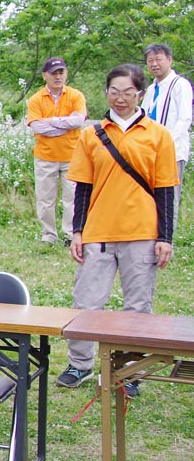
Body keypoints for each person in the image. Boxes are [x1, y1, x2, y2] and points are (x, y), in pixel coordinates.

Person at [57, 63, 178, 393]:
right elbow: (82, 185)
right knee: (86, 301)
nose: (120, 98)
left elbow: (166, 189)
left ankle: (129, 371)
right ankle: (79, 363)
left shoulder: (158, 135)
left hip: (142, 231)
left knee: (137, 308)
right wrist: (77, 231)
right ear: (106, 93)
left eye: (128, 92)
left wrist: (165, 237)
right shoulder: (91, 134)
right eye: (114, 91)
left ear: (140, 94)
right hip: (98, 231)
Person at [26, 58, 87, 245]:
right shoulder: (36, 99)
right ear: (45, 76)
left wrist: (51, 121)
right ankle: (49, 235)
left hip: (72, 156)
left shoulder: (76, 96)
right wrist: (64, 124)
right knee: (45, 199)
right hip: (45, 157)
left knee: (72, 198)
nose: (58, 77)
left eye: (61, 72)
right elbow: (37, 127)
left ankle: (70, 235)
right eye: (54, 73)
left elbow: (78, 120)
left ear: (66, 74)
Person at [141, 43, 191, 216]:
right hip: (149, 151)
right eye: (150, 60)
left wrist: (166, 143)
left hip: (172, 150)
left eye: (158, 59)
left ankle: (167, 239)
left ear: (170, 60)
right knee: (149, 196)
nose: (154, 64)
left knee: (169, 197)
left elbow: (184, 119)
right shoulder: (151, 89)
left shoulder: (180, 85)